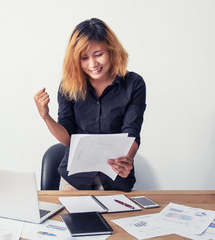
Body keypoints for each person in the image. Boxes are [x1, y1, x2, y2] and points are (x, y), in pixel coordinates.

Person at [34, 18, 146, 192]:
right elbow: (66, 138)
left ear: (111, 50)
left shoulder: (134, 84)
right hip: (75, 180)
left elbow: (131, 132)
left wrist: (126, 160)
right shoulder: (68, 86)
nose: (92, 64)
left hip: (115, 178)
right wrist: (45, 116)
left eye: (99, 54)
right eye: (84, 58)